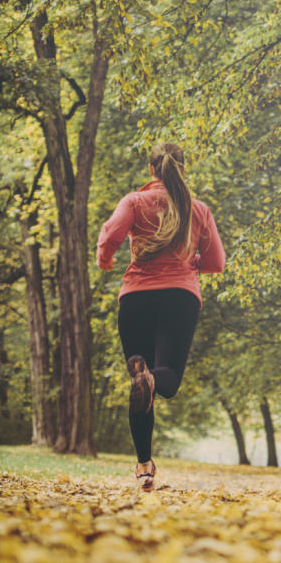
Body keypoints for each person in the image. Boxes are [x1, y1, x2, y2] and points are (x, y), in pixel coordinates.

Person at [96, 142, 225, 491]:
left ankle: (144, 466)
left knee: (140, 383)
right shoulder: (198, 210)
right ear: (182, 169)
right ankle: (150, 380)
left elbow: (111, 234)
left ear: (151, 170)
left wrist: (105, 257)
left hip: (135, 299)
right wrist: (192, 263)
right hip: (179, 299)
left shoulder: (134, 202)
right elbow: (216, 263)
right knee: (161, 380)